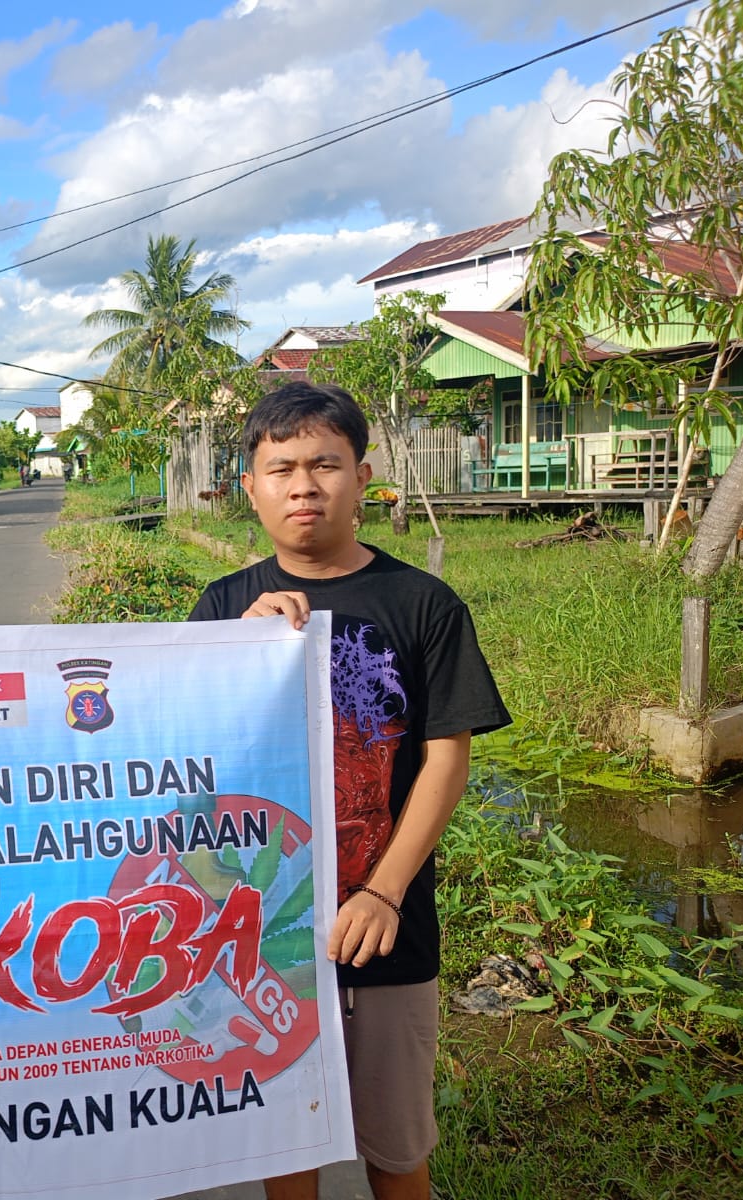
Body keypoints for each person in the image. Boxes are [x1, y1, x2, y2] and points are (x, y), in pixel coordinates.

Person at [187, 381, 509, 1200]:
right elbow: (193, 761)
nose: (304, 485)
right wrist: (236, 653)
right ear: (250, 488)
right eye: (282, 467)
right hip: (263, 932)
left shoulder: (421, 604)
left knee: (395, 1147)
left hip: (387, 931)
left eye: (326, 463)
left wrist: (384, 891)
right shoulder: (221, 607)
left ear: (363, 477)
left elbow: (445, 758)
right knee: (283, 1137)